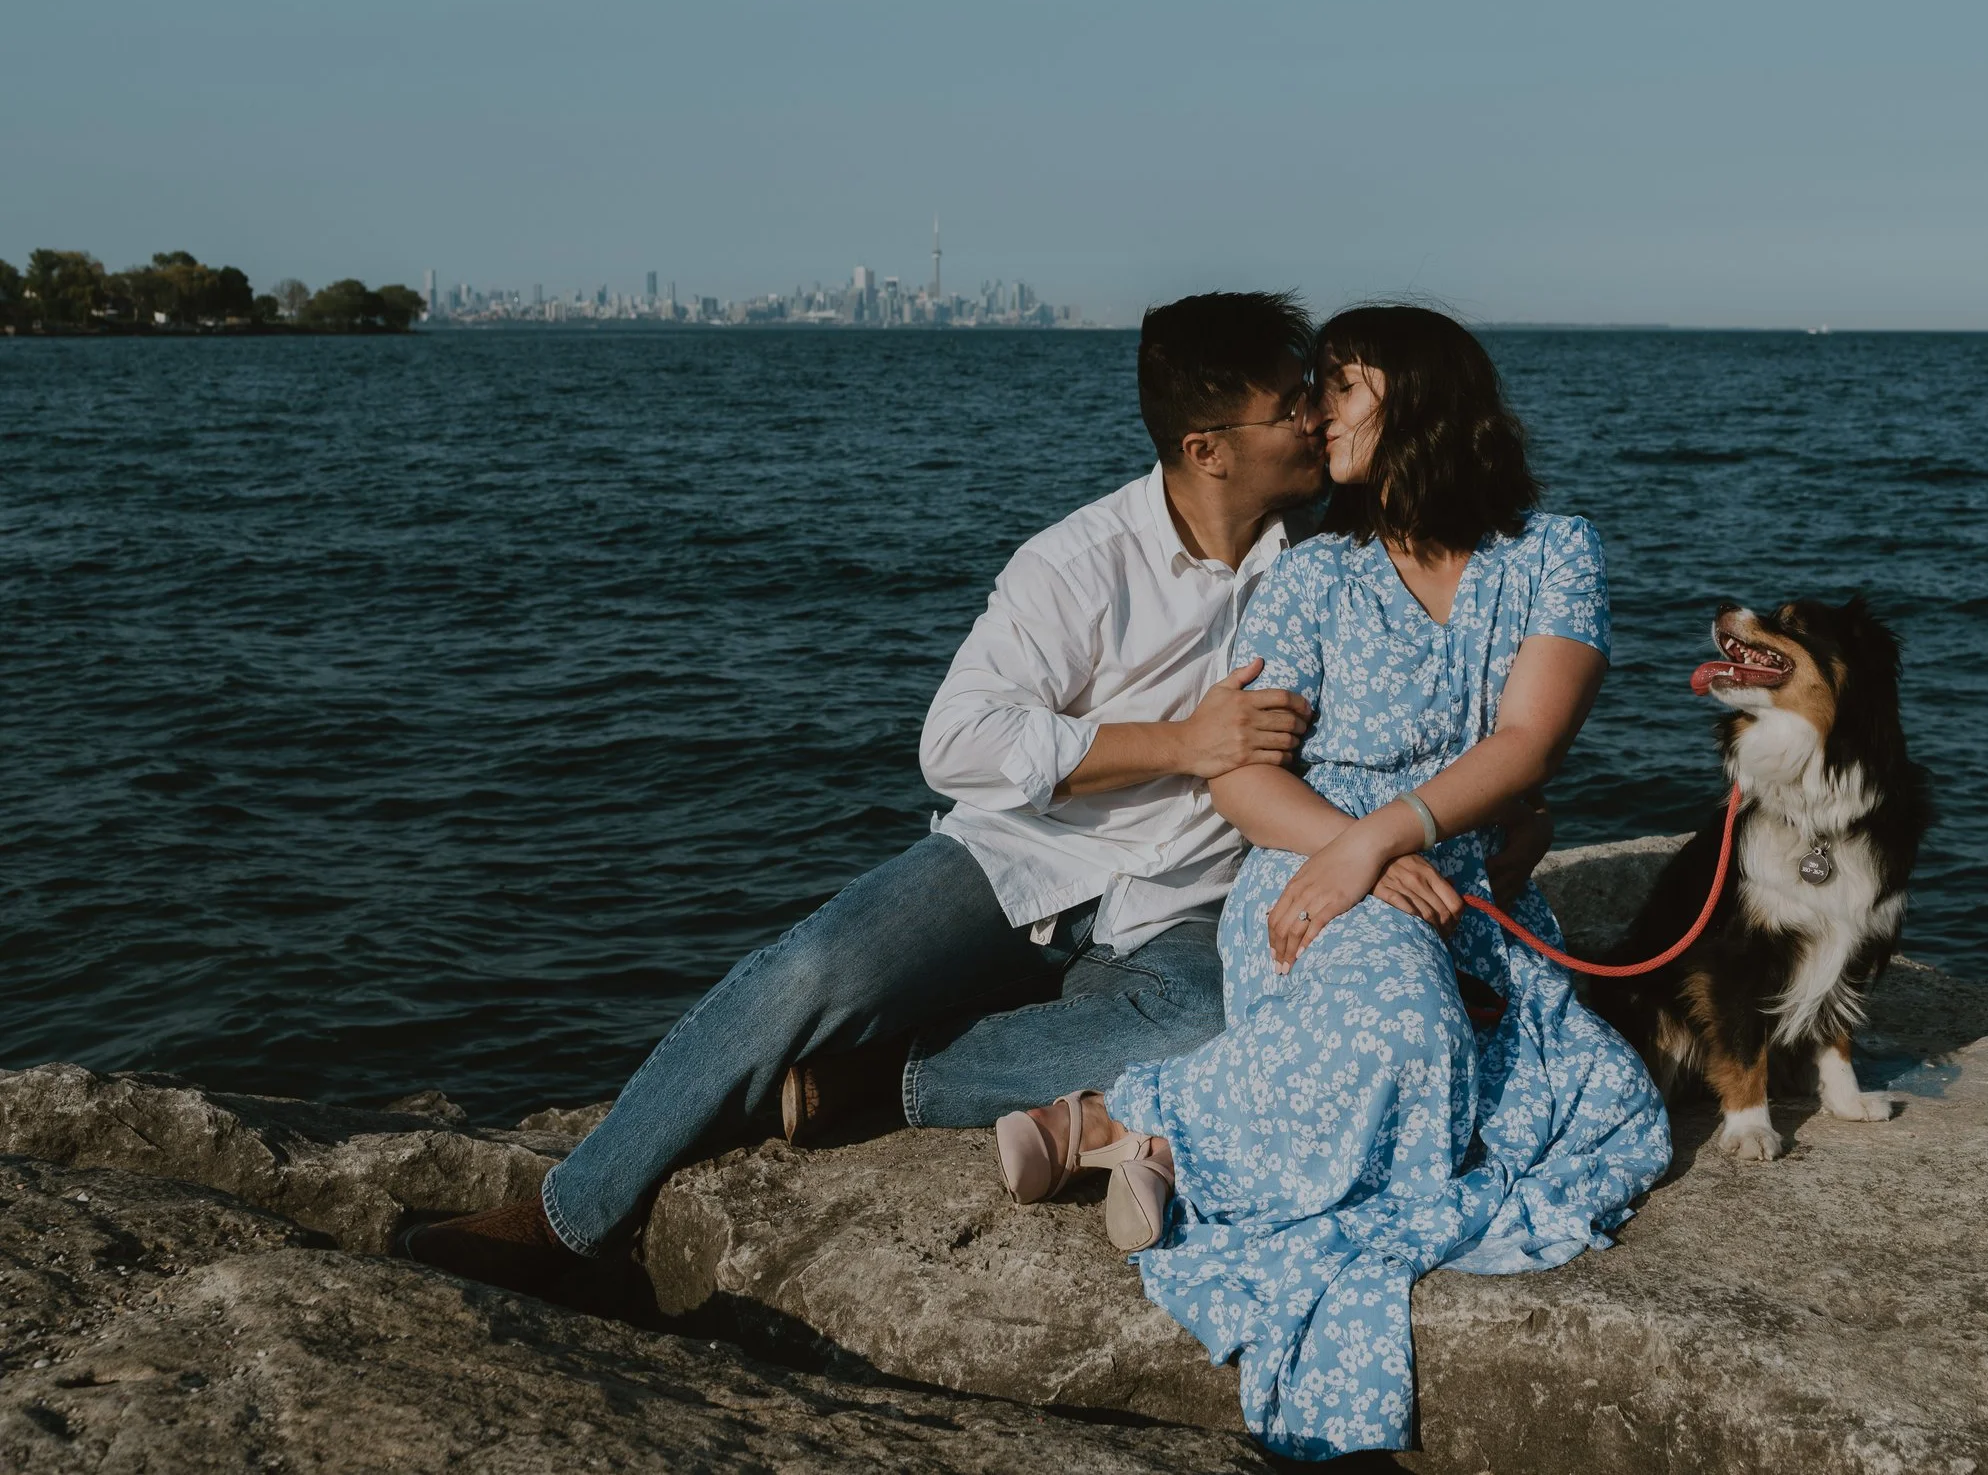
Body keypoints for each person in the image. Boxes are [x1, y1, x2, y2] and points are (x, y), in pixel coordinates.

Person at [402, 291, 1364, 1291]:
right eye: (1292, 403)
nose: (1316, 420)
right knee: (810, 970)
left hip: (1183, 902)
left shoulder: (1332, 555)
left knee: (1210, 1025)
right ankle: (568, 1225)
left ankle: (881, 1077)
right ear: (1208, 448)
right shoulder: (1081, 562)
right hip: (1019, 862)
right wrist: (1179, 743)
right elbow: (954, 741)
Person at [994, 305, 1673, 1461]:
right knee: (1408, 1031)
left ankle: (1138, 1128)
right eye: (1311, 394)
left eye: (1342, 388)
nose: (1315, 415)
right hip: (1310, 869)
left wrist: (1392, 840)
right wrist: (1352, 851)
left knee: (1582, 1109)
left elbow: (1528, 745)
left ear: (1419, 400)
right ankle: (1119, 1119)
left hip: (1455, 886)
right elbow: (1241, 778)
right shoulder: (1312, 577)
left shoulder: (1554, 552)